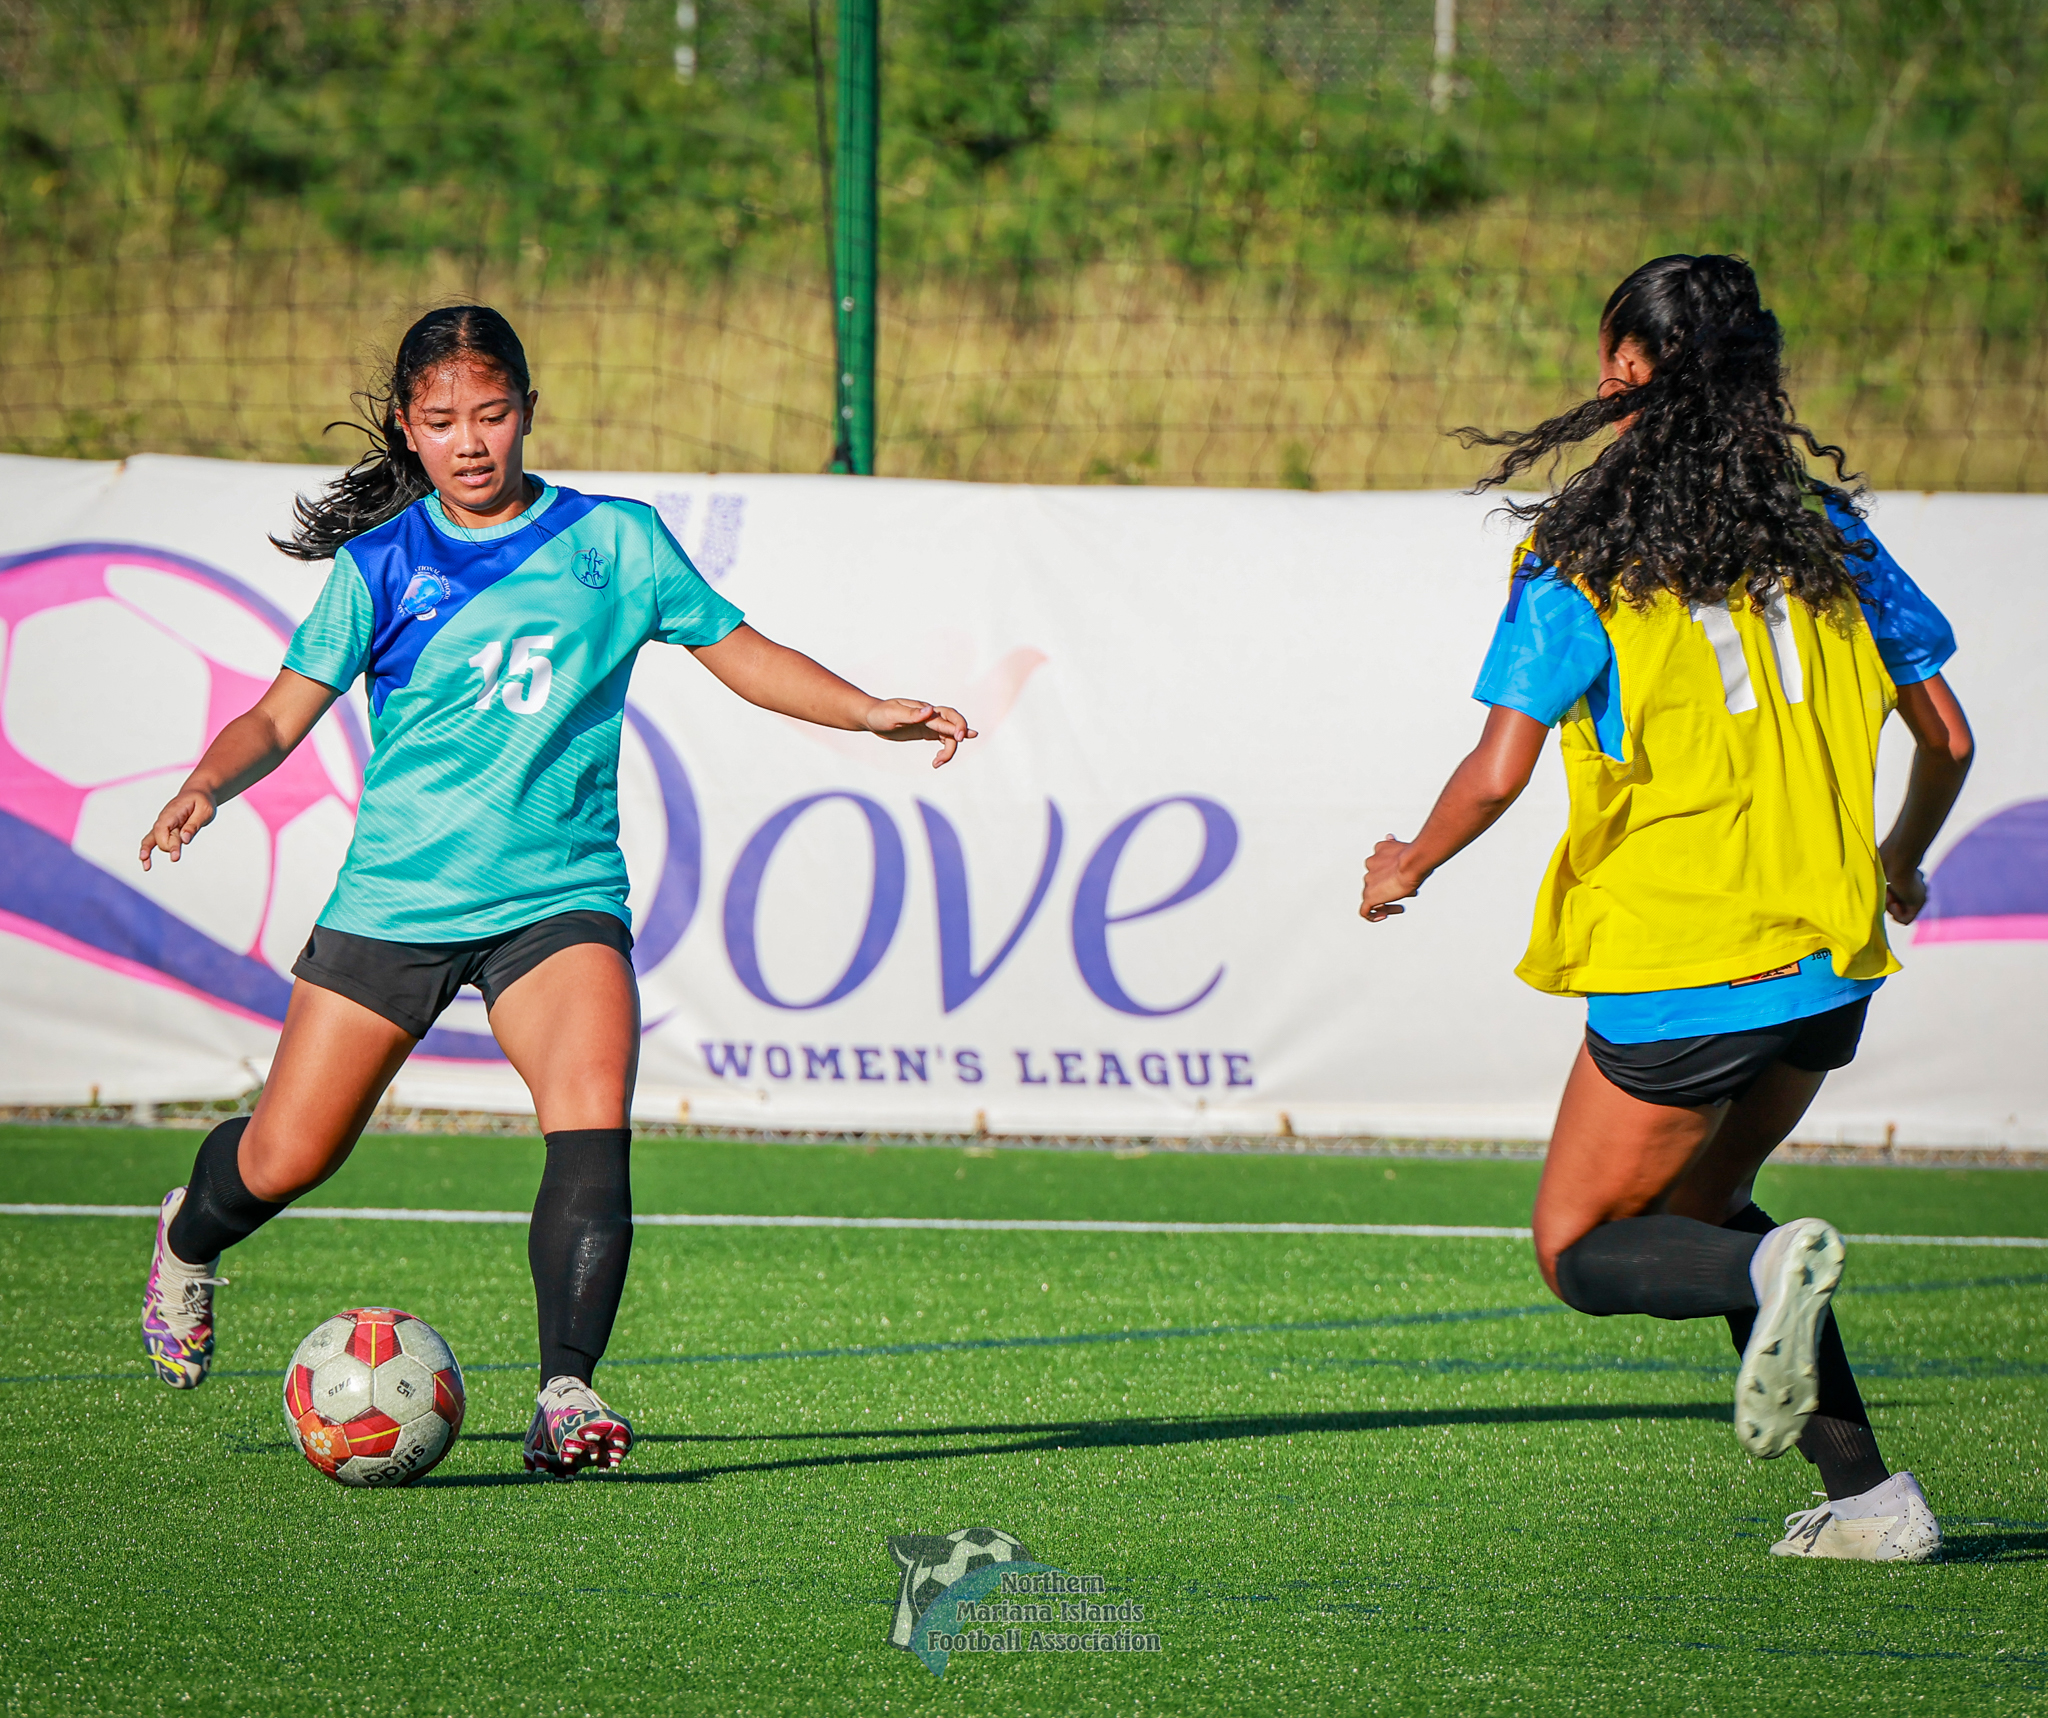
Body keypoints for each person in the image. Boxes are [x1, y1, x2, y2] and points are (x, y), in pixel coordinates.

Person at [136, 305, 974, 1477]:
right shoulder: (379, 563)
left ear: (528, 410)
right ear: (406, 430)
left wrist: (868, 707)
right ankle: (189, 1233)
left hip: (558, 896)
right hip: (396, 906)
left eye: (490, 413)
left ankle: (566, 1391)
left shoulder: (616, 543)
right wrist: (209, 784)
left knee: (591, 1126)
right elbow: (282, 710)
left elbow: (742, 651)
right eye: (441, 421)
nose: (470, 441)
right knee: (287, 1156)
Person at [1359, 255, 1972, 1562]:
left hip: (1685, 960)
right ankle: (1871, 1499)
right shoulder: (1830, 535)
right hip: (1831, 958)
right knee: (1712, 1208)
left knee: (1584, 1245)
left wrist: (1408, 858)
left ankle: (1768, 1288)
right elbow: (1951, 737)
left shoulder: (1580, 554)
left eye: (1607, 358)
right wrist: (1903, 857)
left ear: (1627, 375)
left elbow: (1499, 767)